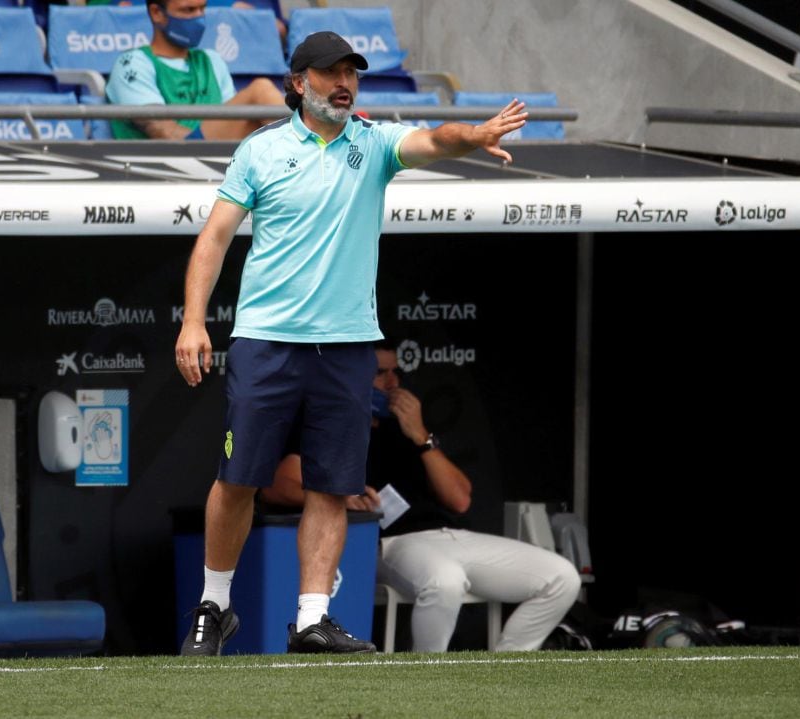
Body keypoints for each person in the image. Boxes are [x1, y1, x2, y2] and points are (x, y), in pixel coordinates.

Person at [174, 30, 529, 656]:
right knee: (239, 479)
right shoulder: (260, 152)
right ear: (297, 82)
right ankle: (215, 605)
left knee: (332, 486)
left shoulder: (374, 141)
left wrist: (471, 136)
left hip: (345, 348)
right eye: (330, 72)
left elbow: (433, 140)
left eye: (352, 73)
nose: (344, 83)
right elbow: (214, 238)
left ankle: (312, 618)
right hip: (266, 341)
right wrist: (194, 321)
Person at [263, 341, 583, 652]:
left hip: (448, 535)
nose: (392, 383)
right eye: (380, 373)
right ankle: (427, 674)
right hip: (388, 543)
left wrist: (420, 435)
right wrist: (338, 499)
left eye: (396, 372)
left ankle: (508, 663)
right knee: (446, 580)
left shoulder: (406, 428)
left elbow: (460, 499)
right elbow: (277, 485)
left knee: (562, 577)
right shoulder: (332, 424)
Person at [104, 0, 285, 140]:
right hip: (174, 162)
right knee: (260, 90)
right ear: (157, 13)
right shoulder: (132, 64)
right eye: (188, 10)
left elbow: (235, 125)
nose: (199, 19)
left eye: (202, 9)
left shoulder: (212, 60)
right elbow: (165, 133)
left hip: (222, 162)